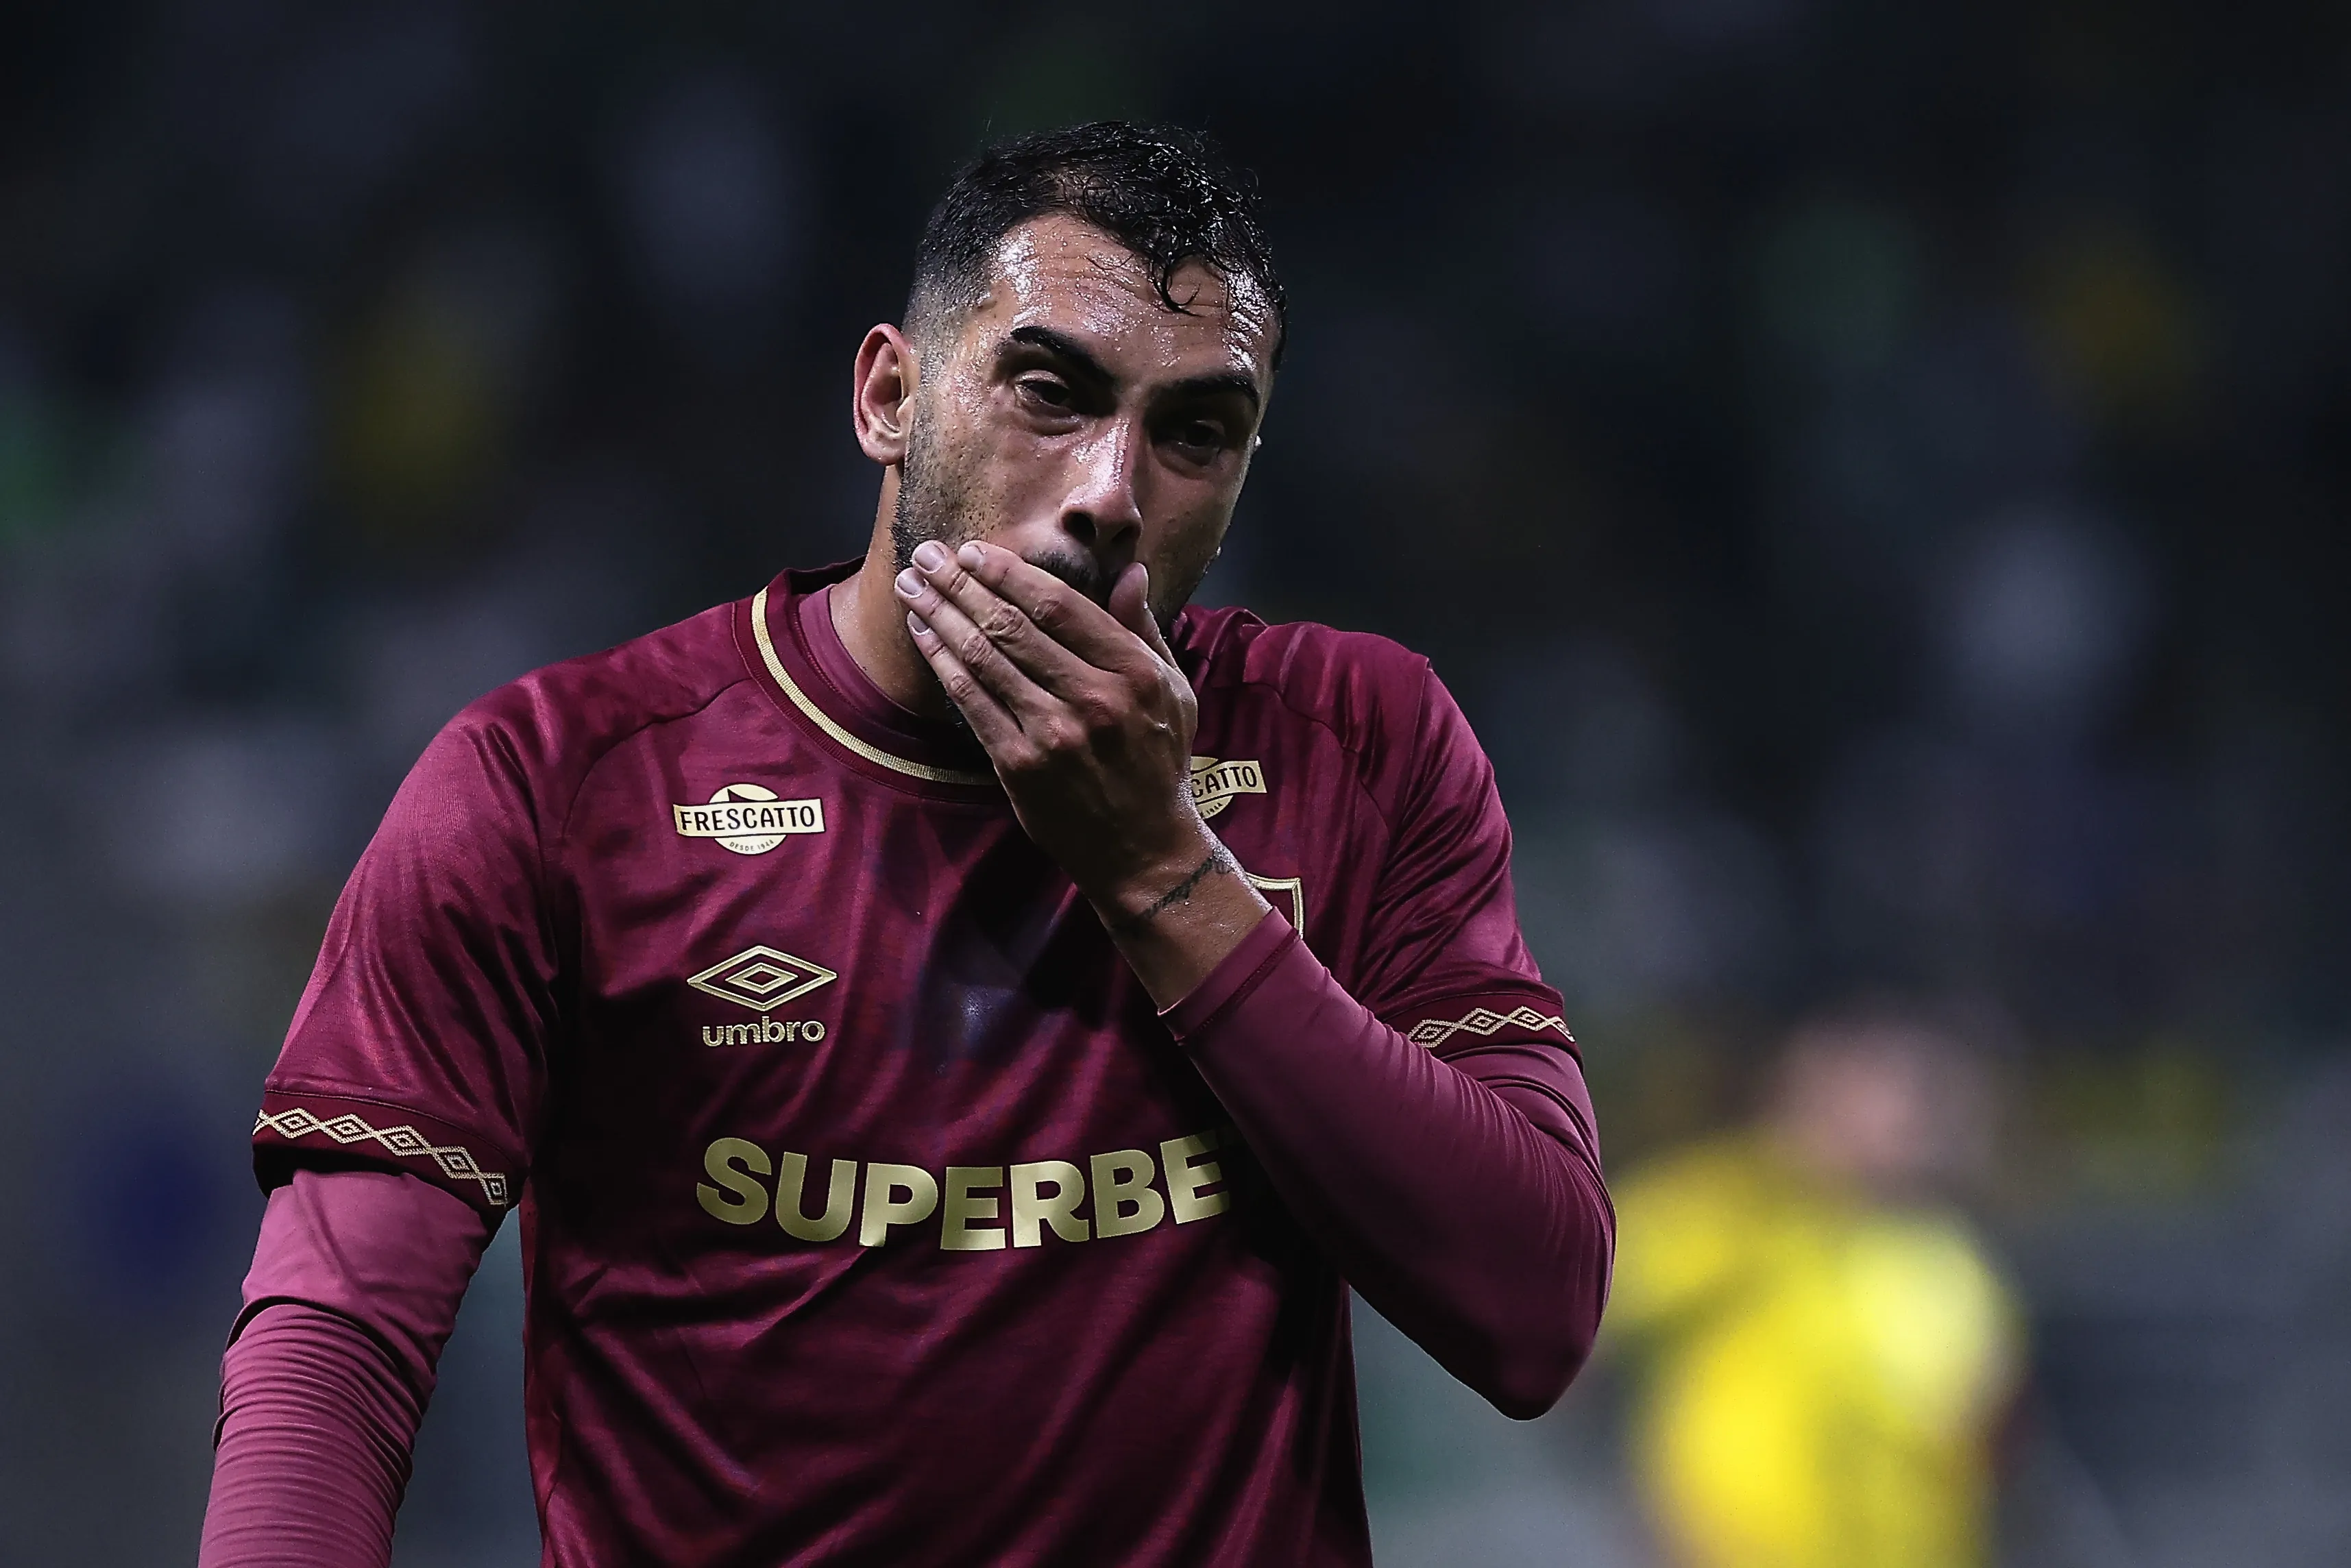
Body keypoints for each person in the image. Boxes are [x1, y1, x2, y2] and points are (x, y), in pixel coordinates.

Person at [197, 123, 1614, 1567]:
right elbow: (334, 1348)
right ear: (890, 394)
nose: (1112, 490)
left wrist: (1159, 872)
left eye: (1195, 430)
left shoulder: (1357, 740)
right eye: (1050, 391)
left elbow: (1534, 1310)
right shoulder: (559, 786)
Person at [1605, 1001, 2023, 1568]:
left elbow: (1978, 1431)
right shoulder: (1729, 1205)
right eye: (1865, 1090)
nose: (1896, 1118)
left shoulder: (1943, 1259)